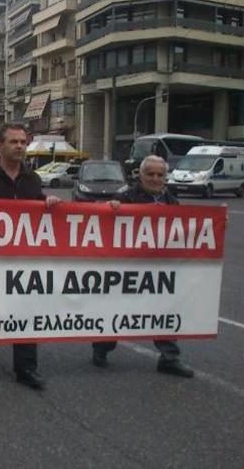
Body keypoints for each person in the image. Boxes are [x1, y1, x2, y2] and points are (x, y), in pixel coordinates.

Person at [0, 123, 61, 391]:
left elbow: (37, 207)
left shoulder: (32, 179)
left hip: (23, 260)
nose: (19, 146)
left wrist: (48, 202)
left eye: (22, 142)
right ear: (0, 145)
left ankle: (26, 368)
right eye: (13, 141)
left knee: (25, 309)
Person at [95, 155, 194, 378]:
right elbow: (102, 223)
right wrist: (110, 208)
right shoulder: (125, 198)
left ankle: (169, 358)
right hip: (128, 267)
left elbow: (189, 230)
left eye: (160, 175)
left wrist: (217, 222)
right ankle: (102, 346)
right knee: (117, 310)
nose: (155, 179)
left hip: (160, 268)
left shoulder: (172, 202)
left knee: (164, 309)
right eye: (150, 174)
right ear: (140, 175)